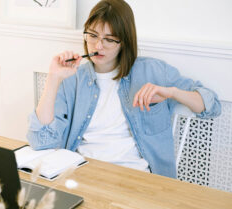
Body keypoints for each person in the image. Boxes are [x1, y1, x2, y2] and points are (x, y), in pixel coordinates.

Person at [26, 0, 221, 178]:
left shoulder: (153, 71)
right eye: (92, 35)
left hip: (136, 177)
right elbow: (41, 141)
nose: (98, 45)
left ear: (124, 42)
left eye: (109, 39)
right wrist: (53, 78)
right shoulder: (72, 78)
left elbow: (211, 105)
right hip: (83, 173)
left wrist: (172, 92)